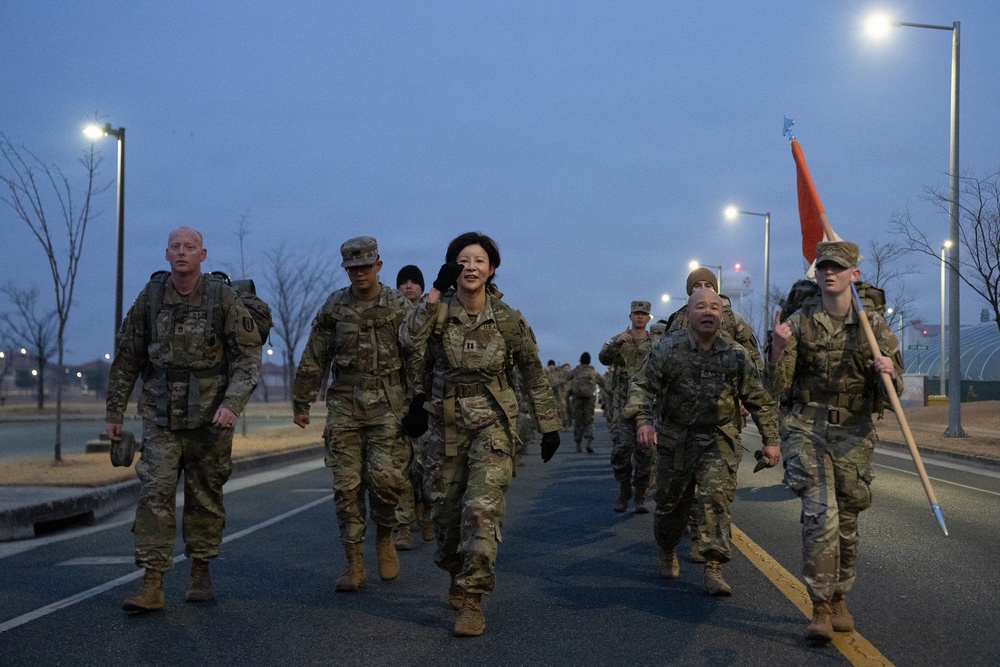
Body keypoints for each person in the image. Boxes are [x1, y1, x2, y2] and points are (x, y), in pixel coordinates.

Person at [400, 232, 560, 637]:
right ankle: (457, 572)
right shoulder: (436, 312)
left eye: (479, 260)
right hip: (444, 425)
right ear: (453, 267)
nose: (471, 266)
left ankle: (473, 600)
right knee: (445, 516)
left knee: (480, 510)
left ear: (491, 270)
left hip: (493, 424)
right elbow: (407, 342)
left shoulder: (508, 319)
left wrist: (549, 425)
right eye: (463, 260)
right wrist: (434, 291)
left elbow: (533, 374)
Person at [106, 227, 262, 612]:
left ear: (202, 255)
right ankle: (152, 582)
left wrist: (232, 404)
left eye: (189, 248)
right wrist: (115, 412)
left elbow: (248, 358)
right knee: (154, 495)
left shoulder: (222, 298)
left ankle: (200, 571)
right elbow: (128, 357)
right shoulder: (151, 297)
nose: (181, 253)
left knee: (204, 497)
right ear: (166, 254)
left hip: (210, 420)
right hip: (160, 418)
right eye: (175, 247)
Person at [766, 241, 902, 643]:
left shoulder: (872, 324)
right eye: (823, 267)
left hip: (853, 431)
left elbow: (892, 395)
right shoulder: (800, 320)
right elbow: (775, 387)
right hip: (807, 425)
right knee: (819, 513)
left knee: (846, 519)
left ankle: (840, 596)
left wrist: (888, 371)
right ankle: (821, 606)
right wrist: (776, 349)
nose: (829, 273)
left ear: (853, 275)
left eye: (838, 268)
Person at [625, 288, 780, 596]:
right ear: (689, 314)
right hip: (675, 439)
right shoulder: (669, 349)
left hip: (717, 438)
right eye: (700, 307)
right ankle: (667, 549)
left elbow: (759, 399)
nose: (708, 312)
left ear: (721, 315)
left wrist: (771, 440)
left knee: (715, 499)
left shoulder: (736, 353)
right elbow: (641, 385)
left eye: (714, 307)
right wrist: (643, 421)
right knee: (671, 506)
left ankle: (713, 567)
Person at [292, 236, 412, 592]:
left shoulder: (398, 306)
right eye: (352, 269)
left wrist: (421, 401)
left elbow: (417, 354)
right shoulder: (334, 307)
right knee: (346, 487)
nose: (359, 274)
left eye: (365, 267)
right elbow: (315, 355)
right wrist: (301, 401)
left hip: (388, 404)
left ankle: (385, 534)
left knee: (386, 480)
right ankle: (354, 562)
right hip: (345, 403)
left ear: (378, 265)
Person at [393, 264, 435, 546]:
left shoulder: (434, 314)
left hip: (429, 399)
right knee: (399, 467)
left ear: (422, 287)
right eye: (403, 281)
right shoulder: (390, 315)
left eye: (413, 281)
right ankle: (403, 526)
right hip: (397, 399)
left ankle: (426, 511)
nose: (408, 286)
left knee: (426, 466)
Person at [599, 300, 654, 514]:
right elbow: (603, 357)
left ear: (648, 318)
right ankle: (624, 490)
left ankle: (640, 495)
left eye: (643, 314)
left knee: (646, 454)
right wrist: (616, 343)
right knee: (621, 450)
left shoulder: (654, 343)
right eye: (636, 314)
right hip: (622, 405)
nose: (639, 317)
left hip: (646, 407)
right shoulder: (619, 339)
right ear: (630, 317)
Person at [566, 352, 605, 453]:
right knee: (589, 421)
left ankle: (578, 445)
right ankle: (589, 443)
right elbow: (603, 383)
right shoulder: (593, 371)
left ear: (580, 360)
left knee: (578, 422)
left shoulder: (576, 371)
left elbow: (563, 380)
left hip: (577, 399)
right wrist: (611, 392)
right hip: (589, 399)